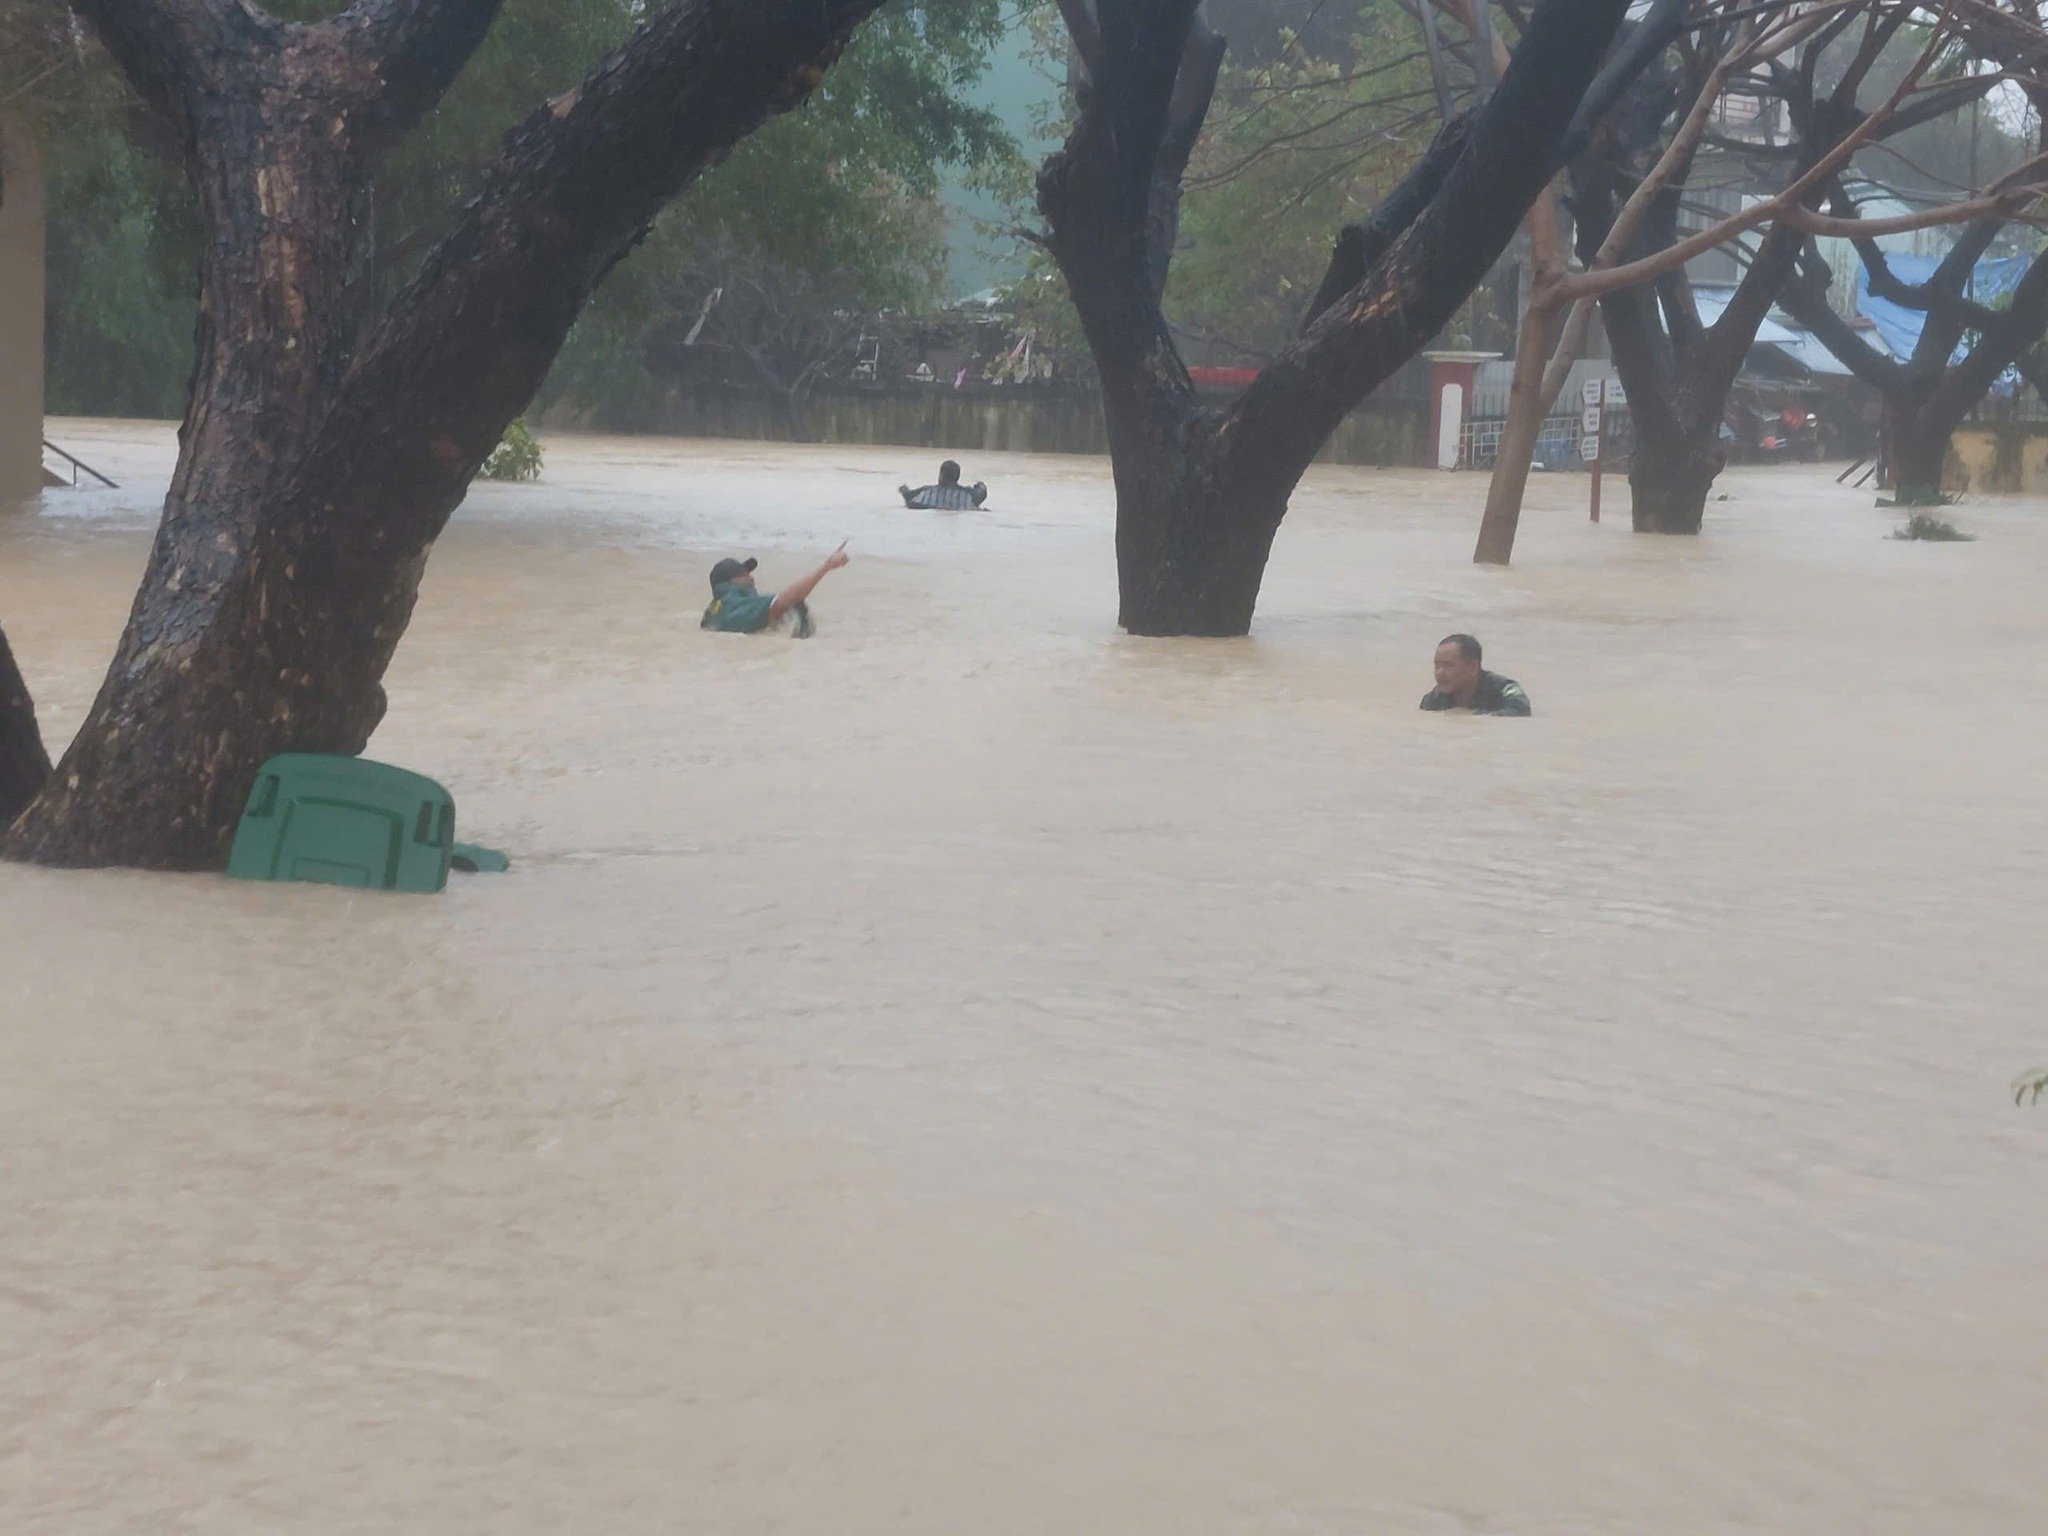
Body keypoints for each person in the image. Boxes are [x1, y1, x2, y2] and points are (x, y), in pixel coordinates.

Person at [700, 544, 849, 639]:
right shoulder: (737, 604)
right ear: (733, 581)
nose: (751, 579)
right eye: (744, 574)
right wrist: (827, 566)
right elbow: (783, 602)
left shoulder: (713, 611)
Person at [1419, 633, 1530, 716]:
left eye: (1448, 666)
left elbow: (1521, 711)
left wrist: (1477, 717)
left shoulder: (1505, 688)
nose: (1439, 673)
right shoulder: (1434, 699)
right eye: (1437, 665)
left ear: (1473, 667)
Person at [900, 460, 988, 510]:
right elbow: (982, 493)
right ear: (957, 477)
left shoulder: (926, 491)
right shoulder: (970, 494)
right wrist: (981, 485)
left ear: (940, 475)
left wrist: (903, 489)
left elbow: (907, 496)